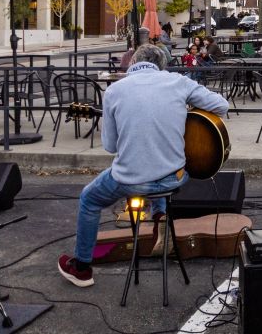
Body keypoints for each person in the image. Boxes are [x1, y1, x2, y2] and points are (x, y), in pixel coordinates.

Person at [57, 44, 229, 288]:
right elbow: (222, 105)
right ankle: (160, 215)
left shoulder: (114, 91)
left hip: (132, 180)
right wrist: (186, 115)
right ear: (162, 65)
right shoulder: (178, 82)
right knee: (161, 168)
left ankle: (82, 268)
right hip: (174, 177)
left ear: (132, 62)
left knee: (89, 200)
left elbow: (110, 146)